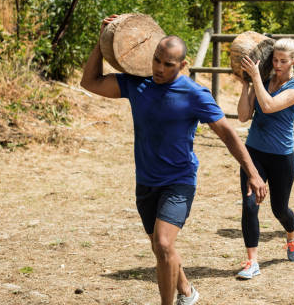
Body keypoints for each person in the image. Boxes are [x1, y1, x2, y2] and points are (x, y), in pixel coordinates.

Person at [80, 15, 267, 305]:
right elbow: (89, 81)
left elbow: (228, 134)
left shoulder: (194, 94)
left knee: (164, 243)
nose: (158, 68)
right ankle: (188, 292)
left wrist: (253, 173)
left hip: (179, 181)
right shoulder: (136, 84)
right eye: (157, 59)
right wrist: (103, 40)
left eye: (168, 64)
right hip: (146, 181)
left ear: (181, 65)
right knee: (160, 247)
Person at [234, 38, 294, 279]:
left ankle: (291, 232)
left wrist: (255, 78)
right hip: (254, 153)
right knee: (249, 204)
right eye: (274, 59)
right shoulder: (262, 80)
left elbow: (269, 105)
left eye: (283, 61)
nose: (277, 65)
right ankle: (252, 261)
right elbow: (244, 115)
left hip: (281, 157)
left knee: (279, 209)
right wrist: (246, 83)